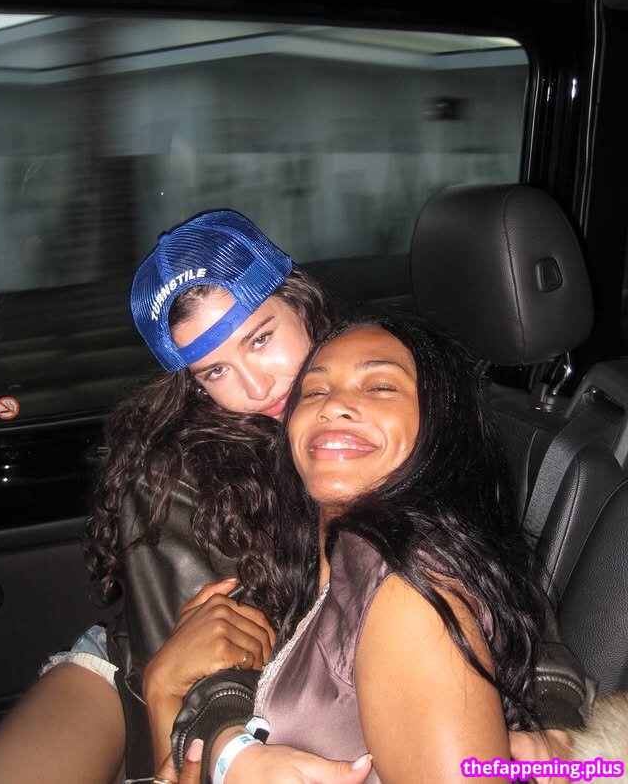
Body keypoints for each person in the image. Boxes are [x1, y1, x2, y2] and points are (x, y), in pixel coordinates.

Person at [0, 212, 587, 783]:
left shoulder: (394, 408)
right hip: (140, 676)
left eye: (260, 338)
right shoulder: (173, 475)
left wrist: (556, 714)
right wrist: (230, 749)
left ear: (300, 302)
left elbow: (495, 571)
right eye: (213, 371)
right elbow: (193, 657)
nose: (255, 387)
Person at [167, 316, 551, 783]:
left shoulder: (408, 597)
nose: (334, 406)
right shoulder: (330, 559)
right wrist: (225, 740)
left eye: (381, 387)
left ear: (442, 423)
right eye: (313, 392)